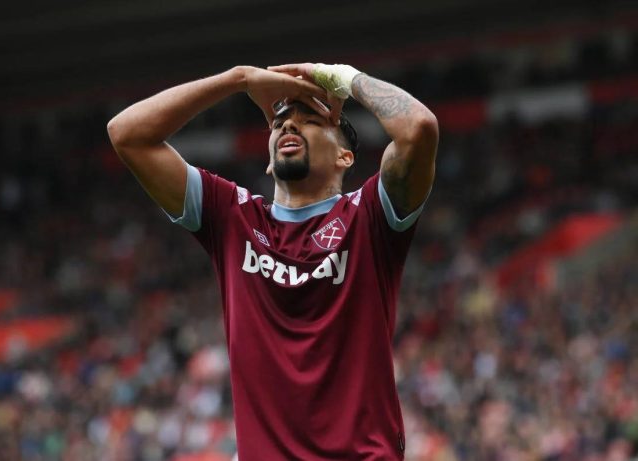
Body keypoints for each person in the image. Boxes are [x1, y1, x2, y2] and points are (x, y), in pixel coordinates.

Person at [107, 63, 438, 460]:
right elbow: (127, 134)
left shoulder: (370, 217)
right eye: (280, 120)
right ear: (268, 159)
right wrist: (238, 80)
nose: (290, 126)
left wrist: (345, 78)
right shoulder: (232, 216)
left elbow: (418, 128)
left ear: (345, 158)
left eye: (311, 119)